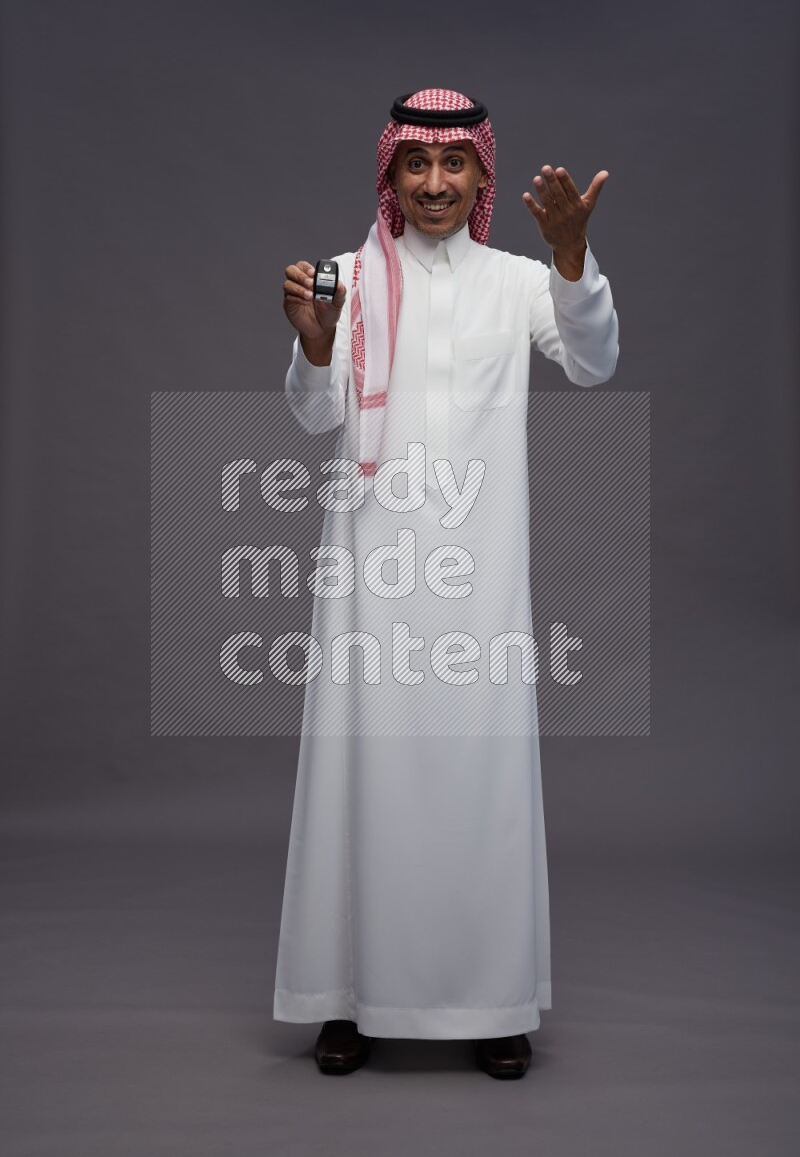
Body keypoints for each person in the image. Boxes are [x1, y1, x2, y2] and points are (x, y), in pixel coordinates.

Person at [274, 88, 619, 1079]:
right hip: (367, 575)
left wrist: (570, 260)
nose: (432, 183)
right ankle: (347, 999)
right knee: (359, 775)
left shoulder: (517, 281)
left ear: (478, 176)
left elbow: (594, 362)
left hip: (476, 584)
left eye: (451, 166)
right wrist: (309, 341)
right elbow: (310, 415)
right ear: (388, 175)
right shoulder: (344, 278)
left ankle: (489, 999)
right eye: (413, 167)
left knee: (478, 782)